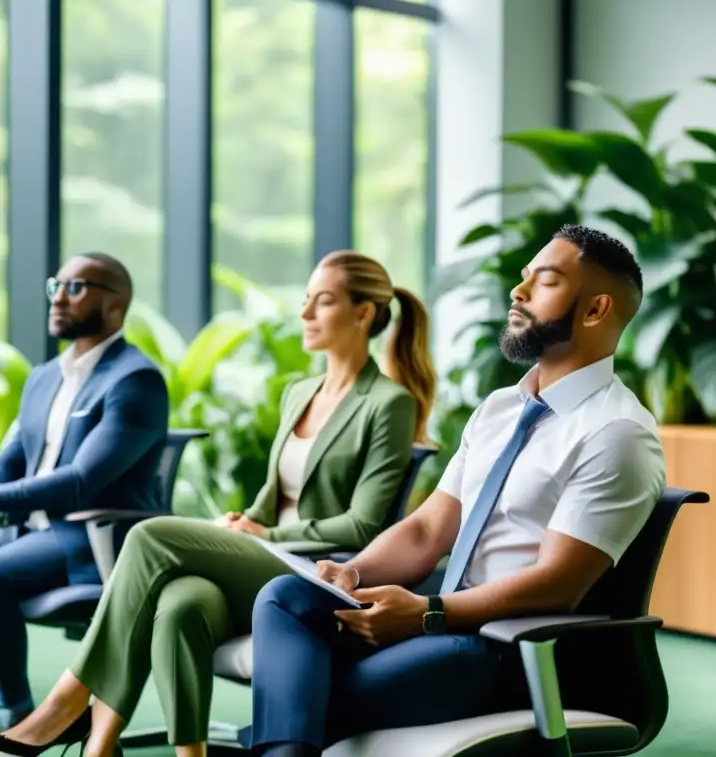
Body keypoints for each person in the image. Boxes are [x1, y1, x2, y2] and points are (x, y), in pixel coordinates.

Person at [245, 224, 667, 757]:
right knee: (286, 597)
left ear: (594, 310)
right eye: (524, 278)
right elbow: (426, 530)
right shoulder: (499, 409)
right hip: (438, 624)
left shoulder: (616, 433)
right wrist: (352, 573)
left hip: (502, 649)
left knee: (301, 692)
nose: (518, 291)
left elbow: (557, 585)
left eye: (545, 281)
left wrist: (427, 612)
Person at [0, 251, 437, 757]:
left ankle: (68, 704)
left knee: (149, 534)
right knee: (179, 602)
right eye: (305, 301)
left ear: (363, 314)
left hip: (320, 573)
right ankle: (151, 749)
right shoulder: (300, 392)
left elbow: (363, 525)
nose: (305, 315)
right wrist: (247, 519)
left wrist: (264, 536)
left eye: (323, 302)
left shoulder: (388, 403)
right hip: (268, 557)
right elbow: (273, 499)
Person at [0, 253, 170, 736]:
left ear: (115, 304)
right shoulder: (44, 378)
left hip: (89, 536)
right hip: (31, 533)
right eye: (58, 284)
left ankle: (18, 710)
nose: (59, 296)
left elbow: (81, 481)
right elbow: (11, 463)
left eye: (77, 287)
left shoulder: (135, 380)